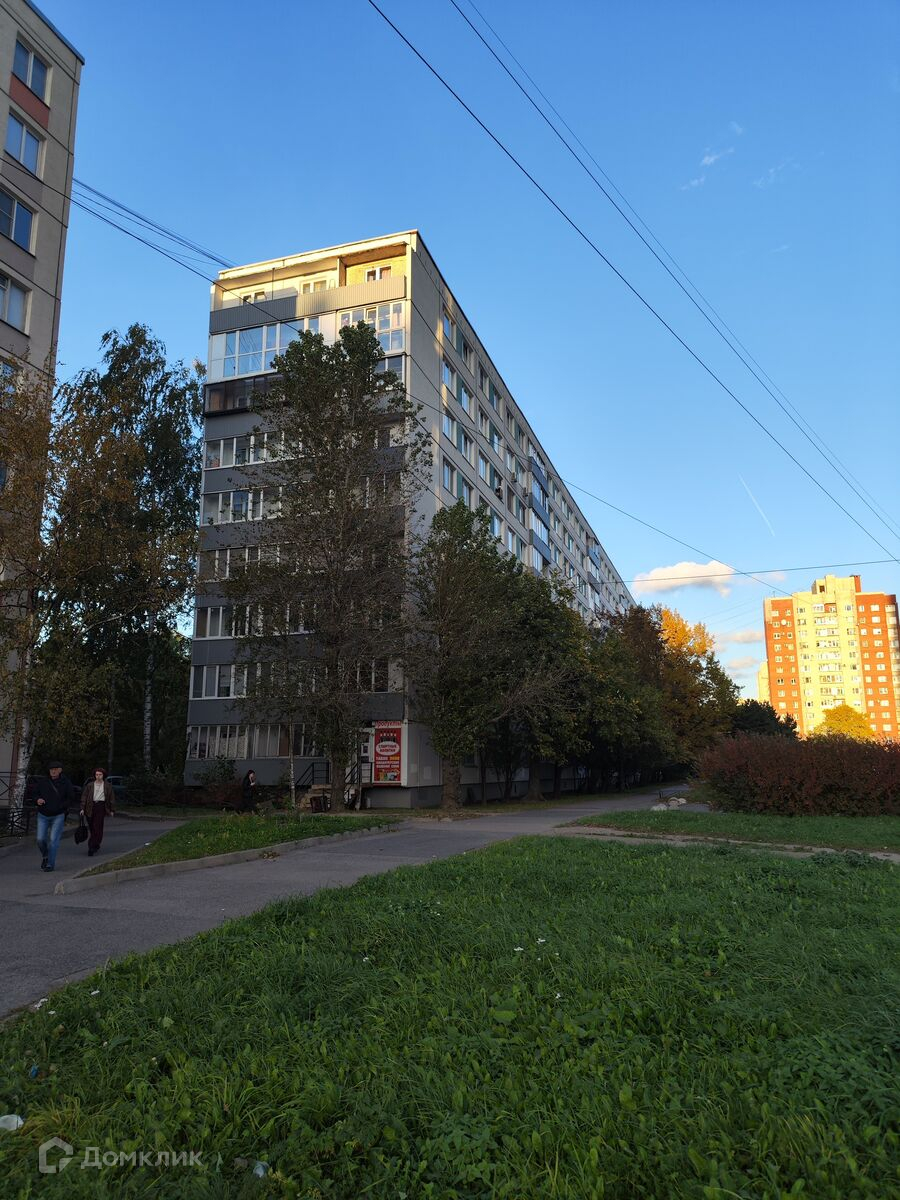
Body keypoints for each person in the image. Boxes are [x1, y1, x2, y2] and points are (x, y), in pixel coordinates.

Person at [34, 761, 76, 872]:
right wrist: (37, 799)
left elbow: (71, 797)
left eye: (55, 769)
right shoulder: (43, 782)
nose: (53, 771)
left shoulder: (66, 783)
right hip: (43, 814)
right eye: (51, 769)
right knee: (40, 839)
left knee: (53, 840)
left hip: (58, 815)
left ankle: (50, 864)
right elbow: (35, 793)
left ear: (60, 770)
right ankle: (45, 855)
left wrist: (61, 806)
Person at [80, 767, 115, 857]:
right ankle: (96, 843)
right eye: (96, 774)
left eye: (100, 774)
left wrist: (112, 810)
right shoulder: (90, 785)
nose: (98, 776)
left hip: (101, 806)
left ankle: (91, 846)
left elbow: (111, 798)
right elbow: (84, 796)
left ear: (103, 775)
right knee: (92, 827)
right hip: (90, 806)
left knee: (97, 826)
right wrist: (82, 808)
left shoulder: (107, 785)